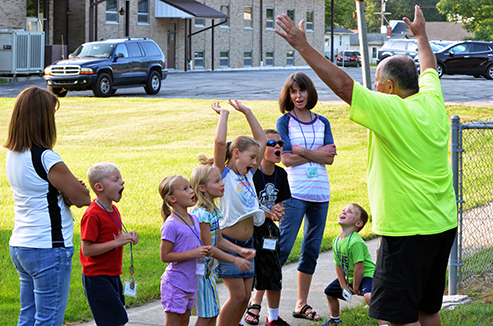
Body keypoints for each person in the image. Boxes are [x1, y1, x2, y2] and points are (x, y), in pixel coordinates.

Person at [275, 5, 458, 326]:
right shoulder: (431, 99)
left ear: (388, 87)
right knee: (428, 309)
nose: (373, 88)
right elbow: (428, 66)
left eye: (376, 82)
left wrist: (302, 46)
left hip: (407, 231)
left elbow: (345, 87)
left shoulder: (390, 109)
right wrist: (422, 36)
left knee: (398, 318)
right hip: (442, 225)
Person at [5, 86, 91, 326]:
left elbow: (42, 191)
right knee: (49, 320)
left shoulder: (13, 154)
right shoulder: (47, 158)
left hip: (22, 244)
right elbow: (84, 198)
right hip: (48, 248)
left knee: (28, 317)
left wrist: (64, 192)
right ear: (43, 119)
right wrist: (72, 191)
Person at [199, 100, 267, 326]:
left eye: (257, 158)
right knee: (237, 295)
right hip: (227, 242)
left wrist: (247, 111)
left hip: (247, 244)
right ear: (236, 153)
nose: (256, 162)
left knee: (246, 296)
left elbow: (262, 141)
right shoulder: (223, 175)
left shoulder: (248, 175)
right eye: (252, 157)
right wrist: (224, 114)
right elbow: (219, 143)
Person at [275, 72, 337, 321]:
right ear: (288, 95)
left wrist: (300, 150)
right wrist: (315, 152)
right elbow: (286, 158)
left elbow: (330, 157)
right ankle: (257, 299)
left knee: (311, 250)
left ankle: (301, 304)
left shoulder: (323, 122)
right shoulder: (284, 122)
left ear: (310, 92)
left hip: (320, 193)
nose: (298, 96)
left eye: (302, 90)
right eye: (293, 91)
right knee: (282, 248)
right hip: (295, 192)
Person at [189, 163, 256, 326]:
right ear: (202, 188)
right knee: (206, 316)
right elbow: (209, 249)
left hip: (207, 271)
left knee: (212, 314)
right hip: (199, 273)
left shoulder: (212, 211)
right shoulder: (202, 214)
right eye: (217, 181)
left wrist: (240, 251)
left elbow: (218, 240)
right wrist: (234, 260)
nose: (222, 183)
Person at [80, 162, 140, 326]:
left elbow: (113, 236)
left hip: (113, 273)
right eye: (115, 179)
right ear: (99, 187)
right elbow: (87, 249)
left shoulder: (113, 210)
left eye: (120, 178)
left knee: (117, 320)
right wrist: (117, 242)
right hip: (97, 277)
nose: (122, 182)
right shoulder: (93, 215)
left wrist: (128, 236)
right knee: (115, 321)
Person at [244, 129, 292, 326]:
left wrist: (278, 211)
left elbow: (279, 203)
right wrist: (267, 212)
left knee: (274, 273)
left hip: (269, 232)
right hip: (248, 230)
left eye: (280, 143)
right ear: (261, 148)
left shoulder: (281, 174)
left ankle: (273, 317)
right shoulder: (250, 175)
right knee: (247, 275)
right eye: (272, 144)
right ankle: (242, 313)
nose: (278, 146)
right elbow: (245, 205)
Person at [159, 175, 214, 326]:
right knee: (174, 323)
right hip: (176, 284)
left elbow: (191, 244)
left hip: (190, 282)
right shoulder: (171, 225)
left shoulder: (194, 219)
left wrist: (204, 251)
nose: (191, 191)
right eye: (185, 189)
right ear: (172, 199)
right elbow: (165, 255)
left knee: (184, 322)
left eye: (190, 187)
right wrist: (193, 253)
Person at [321, 204, 386, 326]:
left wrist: (355, 288)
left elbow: (359, 268)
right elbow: (338, 265)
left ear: (359, 223)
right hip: (350, 277)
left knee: (369, 297)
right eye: (343, 210)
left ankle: (383, 324)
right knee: (329, 292)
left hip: (367, 275)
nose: (344, 212)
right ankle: (334, 319)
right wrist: (343, 285)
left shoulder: (355, 241)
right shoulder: (336, 241)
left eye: (350, 212)